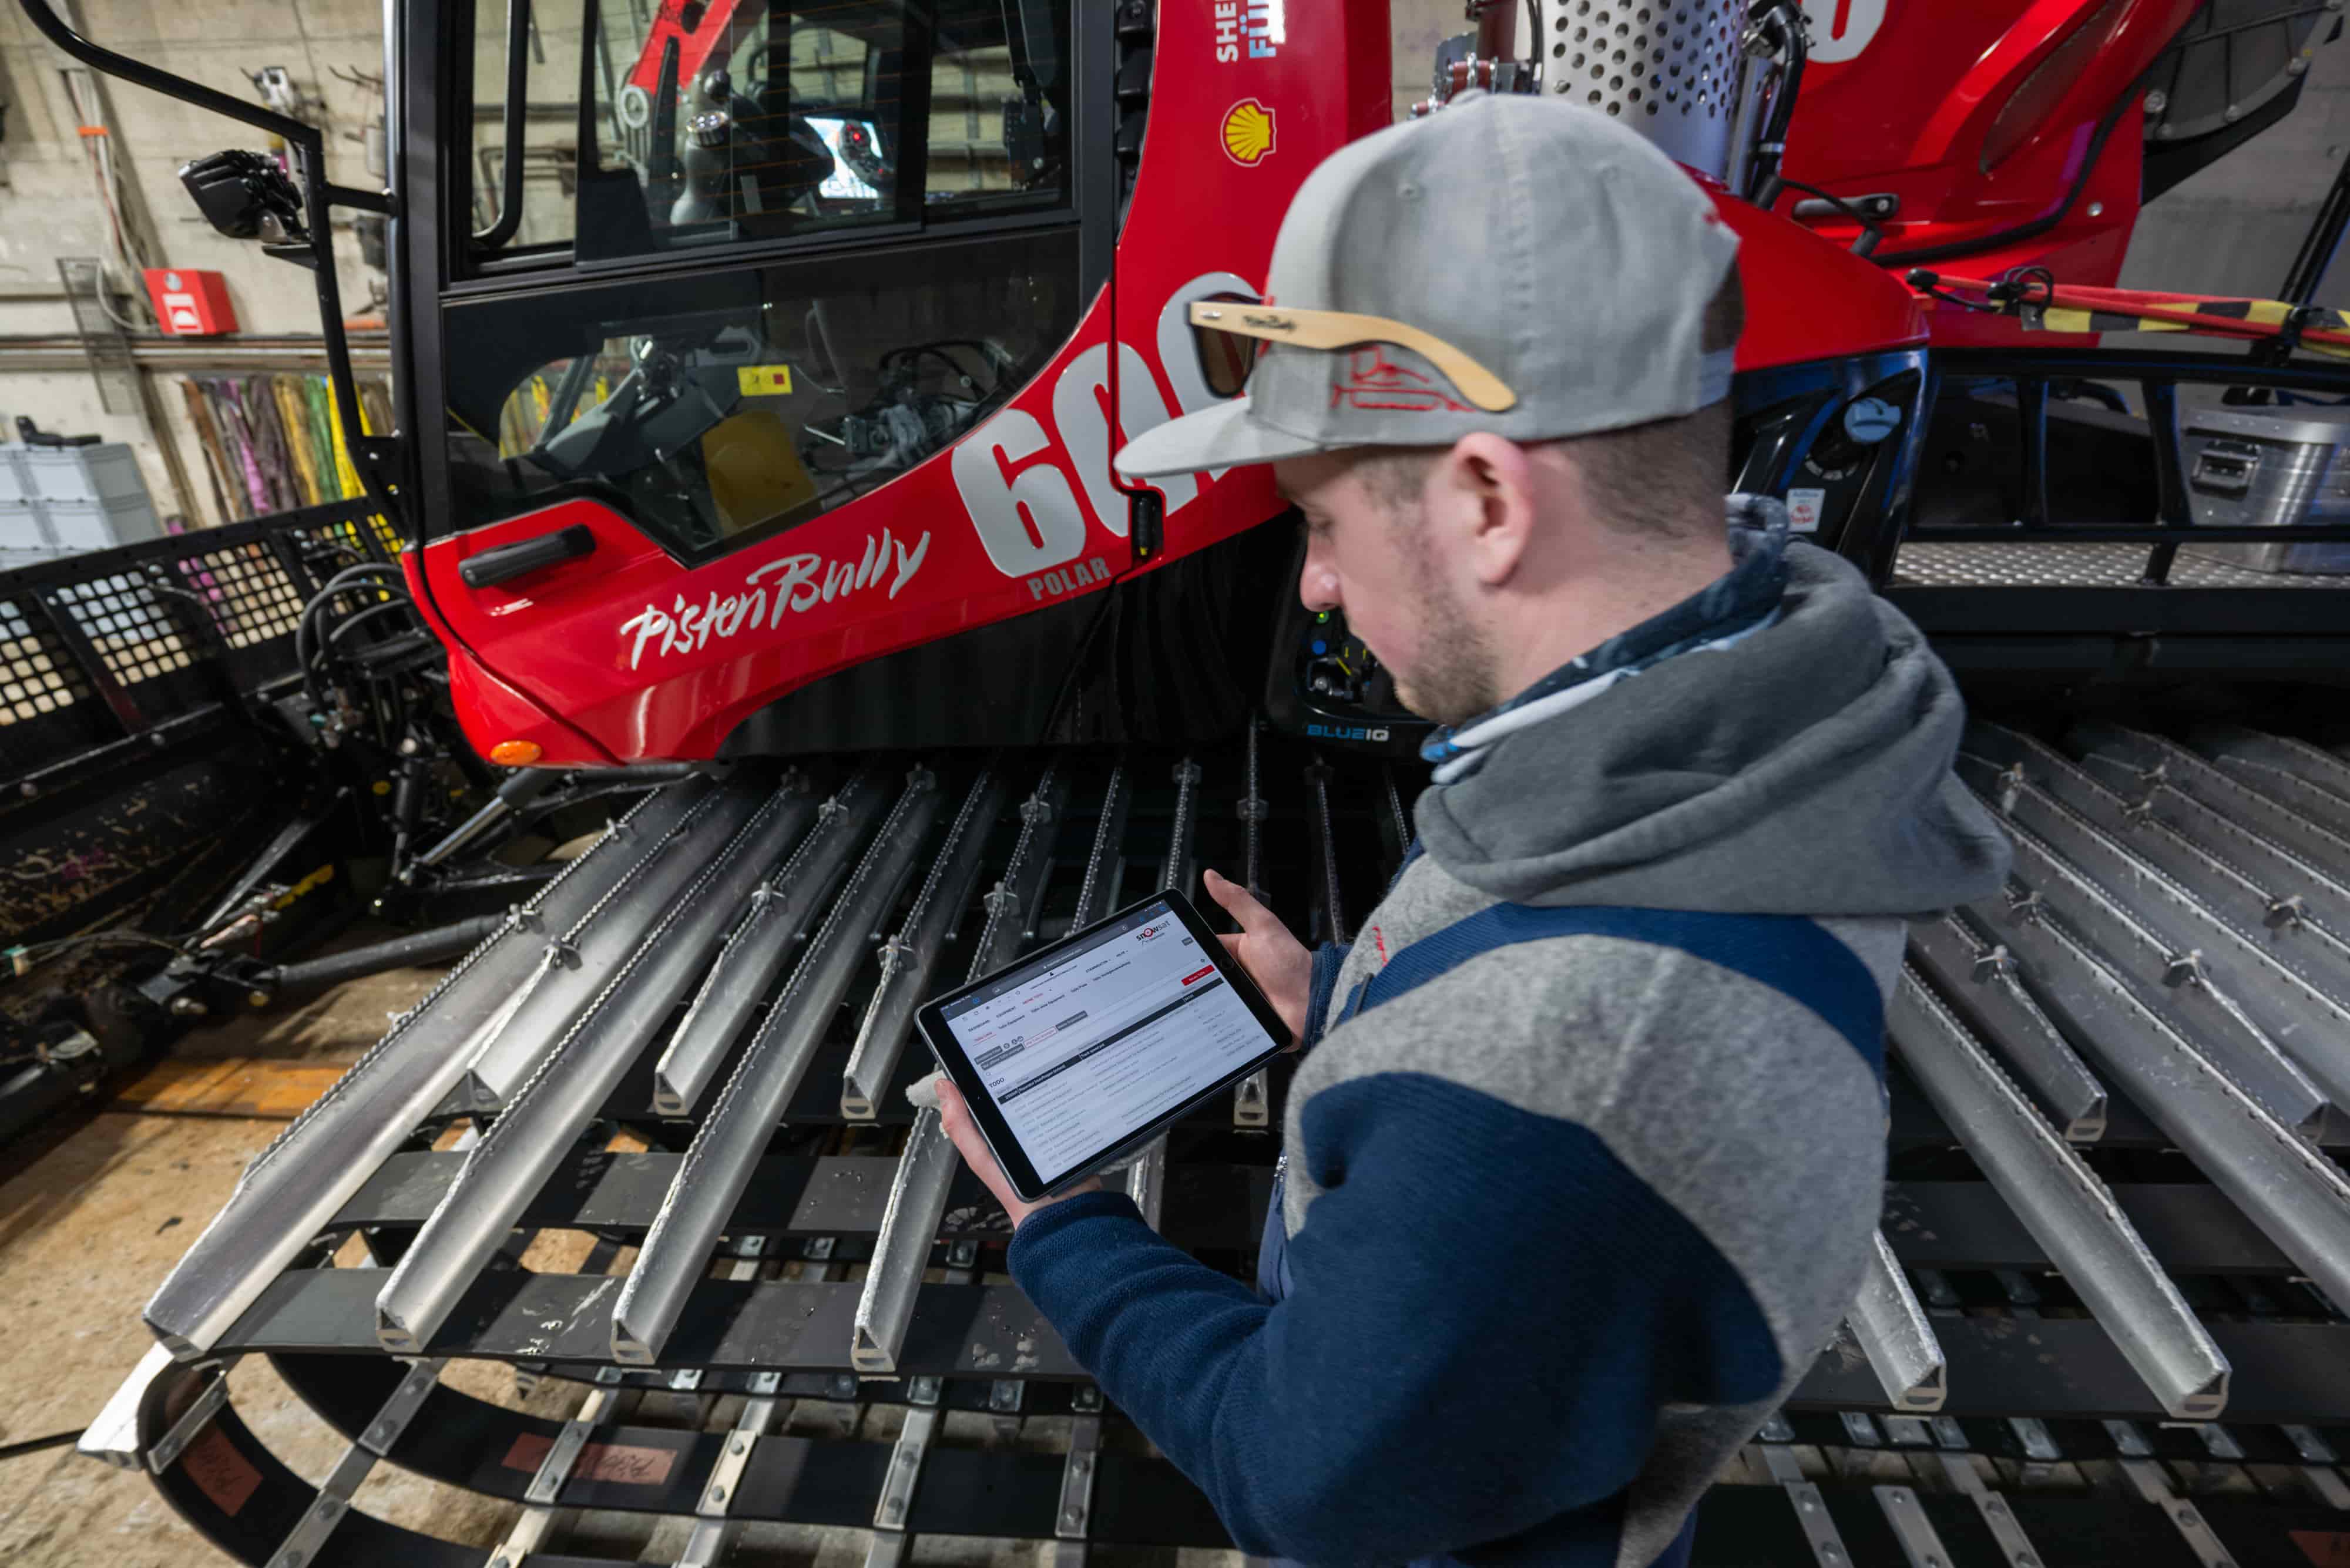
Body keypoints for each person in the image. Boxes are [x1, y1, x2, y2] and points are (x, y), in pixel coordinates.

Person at [930, 92, 2010, 1567]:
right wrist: (1348, 1002)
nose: (1313, 590)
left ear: (1489, 500)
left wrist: (1065, 1229)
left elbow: (1306, 1478)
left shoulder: (1560, 1062)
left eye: (1318, 521)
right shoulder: (1739, 730)